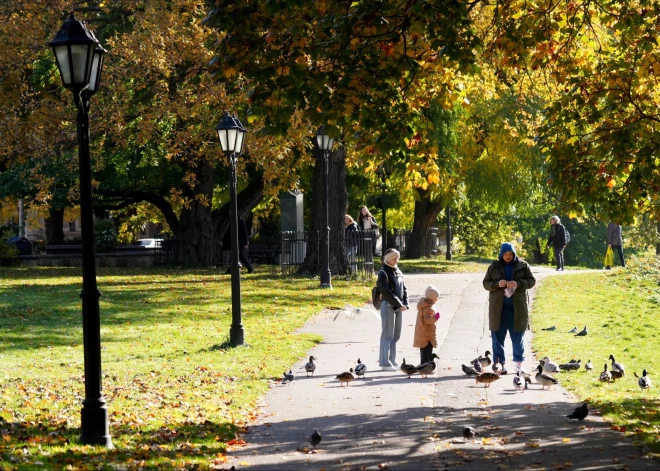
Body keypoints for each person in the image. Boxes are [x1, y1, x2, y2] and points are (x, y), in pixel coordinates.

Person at [483, 242, 536, 375]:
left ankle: (519, 365)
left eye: (510, 254)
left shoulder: (523, 265)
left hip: (517, 308)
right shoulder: (493, 267)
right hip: (498, 309)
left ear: (514, 254)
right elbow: (486, 283)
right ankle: (500, 364)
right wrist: (496, 284)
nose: (508, 256)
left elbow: (531, 281)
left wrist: (518, 283)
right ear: (501, 254)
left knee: (518, 338)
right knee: (497, 338)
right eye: (505, 254)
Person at [377, 248, 409, 371]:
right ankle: (384, 363)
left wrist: (405, 303)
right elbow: (385, 292)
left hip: (399, 307)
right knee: (387, 335)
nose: (397, 260)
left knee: (396, 335)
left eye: (397, 258)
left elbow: (404, 289)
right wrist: (399, 303)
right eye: (394, 258)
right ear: (388, 259)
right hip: (388, 305)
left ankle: (392, 359)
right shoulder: (383, 273)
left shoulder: (398, 271)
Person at [414, 285, 441, 364]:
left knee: (424, 351)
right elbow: (427, 320)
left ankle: (425, 365)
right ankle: (426, 367)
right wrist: (435, 317)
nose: (437, 299)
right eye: (436, 297)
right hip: (427, 335)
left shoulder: (424, 305)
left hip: (423, 333)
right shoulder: (429, 308)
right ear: (432, 298)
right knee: (427, 352)